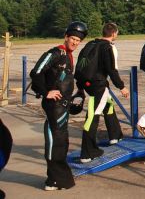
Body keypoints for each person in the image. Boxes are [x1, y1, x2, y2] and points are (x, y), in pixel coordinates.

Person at [30, 21, 88, 191]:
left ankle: (58, 179)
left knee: (62, 142)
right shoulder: (55, 52)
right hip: (54, 107)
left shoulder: (68, 56)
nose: (75, 43)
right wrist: (45, 91)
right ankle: (53, 180)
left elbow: (62, 78)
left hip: (62, 107)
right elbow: (36, 72)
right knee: (56, 141)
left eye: (78, 40)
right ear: (66, 37)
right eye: (73, 39)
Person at [77, 22, 130, 163]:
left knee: (108, 104)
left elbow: (81, 64)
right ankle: (87, 152)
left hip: (88, 83)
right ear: (113, 33)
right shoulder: (107, 48)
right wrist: (122, 86)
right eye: (117, 33)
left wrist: (80, 86)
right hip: (97, 85)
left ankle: (115, 135)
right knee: (92, 116)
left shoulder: (91, 44)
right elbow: (111, 70)